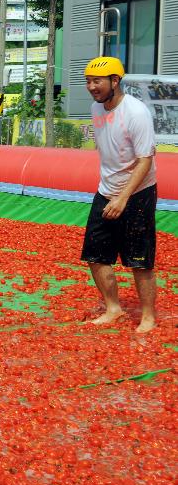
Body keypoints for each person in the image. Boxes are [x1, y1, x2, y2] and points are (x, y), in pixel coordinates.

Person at [82, 57, 158, 334]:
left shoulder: (136, 113)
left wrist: (123, 197)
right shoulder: (95, 108)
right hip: (106, 190)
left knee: (139, 259)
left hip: (137, 193)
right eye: (88, 81)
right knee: (95, 254)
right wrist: (111, 191)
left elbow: (145, 160)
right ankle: (113, 307)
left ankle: (148, 315)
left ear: (115, 81)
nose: (92, 87)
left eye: (97, 81)